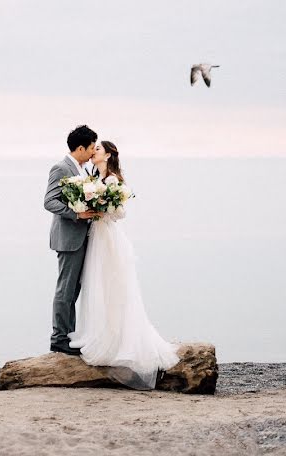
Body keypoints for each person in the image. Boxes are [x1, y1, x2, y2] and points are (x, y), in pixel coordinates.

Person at [66, 140, 181, 390]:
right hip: (96, 236)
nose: (94, 152)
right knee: (97, 285)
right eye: (93, 149)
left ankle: (117, 340)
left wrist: (101, 208)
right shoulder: (94, 176)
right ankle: (99, 333)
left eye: (97, 149)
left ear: (108, 155)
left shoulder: (113, 181)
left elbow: (120, 213)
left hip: (108, 238)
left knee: (113, 287)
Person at [44, 125, 99, 355]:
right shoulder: (61, 168)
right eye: (92, 147)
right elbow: (49, 201)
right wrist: (76, 213)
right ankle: (58, 338)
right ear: (80, 147)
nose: (94, 152)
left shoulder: (82, 170)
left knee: (73, 290)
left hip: (81, 237)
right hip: (68, 239)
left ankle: (69, 335)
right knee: (65, 290)